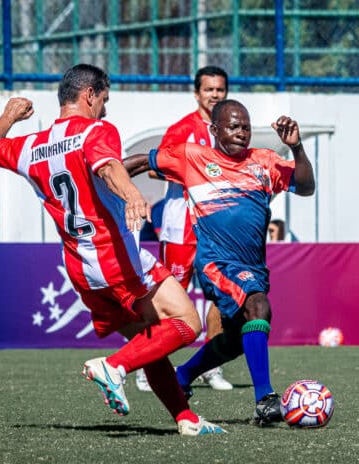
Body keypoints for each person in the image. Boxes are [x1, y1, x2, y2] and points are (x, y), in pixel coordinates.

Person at [0, 64, 225, 436]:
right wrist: (132, 194)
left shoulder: (30, 147)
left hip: (80, 269)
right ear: (89, 95)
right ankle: (113, 367)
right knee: (187, 323)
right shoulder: (95, 130)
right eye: (104, 100)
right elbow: (108, 167)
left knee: (150, 339)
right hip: (115, 258)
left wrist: (9, 116)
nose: (105, 109)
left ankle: (185, 419)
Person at [124, 99, 315, 424]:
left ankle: (182, 377)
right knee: (258, 307)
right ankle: (265, 400)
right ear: (214, 130)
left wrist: (295, 148)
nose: (242, 132)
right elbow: (142, 162)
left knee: (235, 339)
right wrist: (102, 181)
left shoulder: (265, 161)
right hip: (215, 263)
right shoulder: (192, 157)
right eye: (233, 126)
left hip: (253, 267)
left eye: (246, 126)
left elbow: (307, 187)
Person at [134, 65, 233, 393]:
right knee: (170, 297)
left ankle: (211, 367)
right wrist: (194, 173)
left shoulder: (230, 129)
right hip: (181, 226)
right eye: (209, 89)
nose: (215, 95)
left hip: (215, 225)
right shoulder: (182, 129)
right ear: (197, 93)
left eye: (220, 89)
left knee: (219, 297)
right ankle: (146, 365)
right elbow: (153, 170)